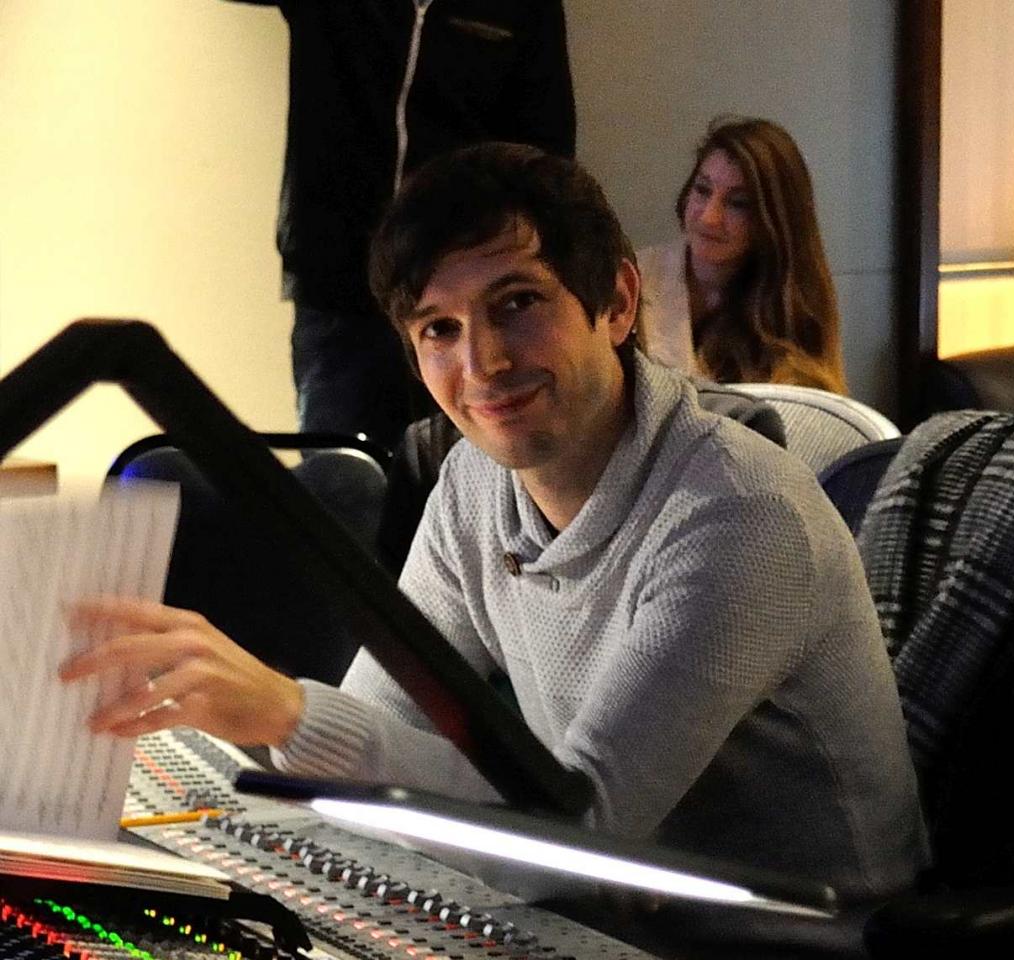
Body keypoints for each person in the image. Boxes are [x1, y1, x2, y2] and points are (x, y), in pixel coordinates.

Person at [60, 143, 926, 904]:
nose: (483, 363)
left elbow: (579, 836)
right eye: (439, 328)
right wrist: (277, 726)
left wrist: (288, 715)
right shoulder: (475, 484)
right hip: (611, 918)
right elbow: (383, 720)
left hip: (794, 941)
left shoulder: (740, 515)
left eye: (517, 303)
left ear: (618, 303)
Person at [225, 0, 576, 449]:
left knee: (465, 463)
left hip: (462, 299)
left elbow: (544, 160)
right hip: (338, 291)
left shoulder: (526, 8)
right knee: (346, 471)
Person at [637, 117, 848, 393]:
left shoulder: (792, 308)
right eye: (702, 190)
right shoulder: (630, 280)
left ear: (776, 220)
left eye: (738, 203)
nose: (709, 217)